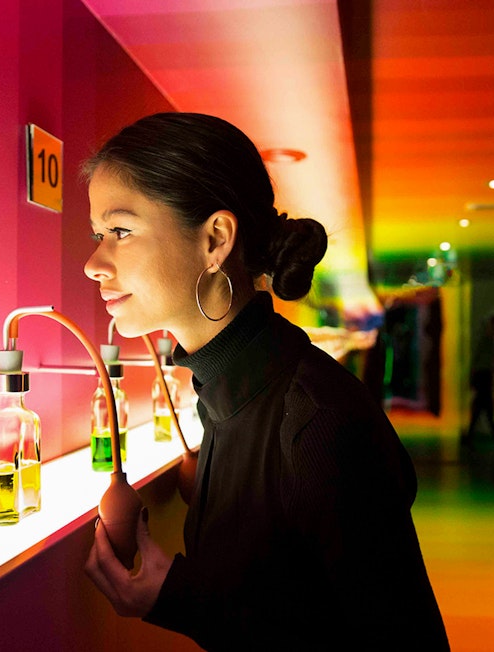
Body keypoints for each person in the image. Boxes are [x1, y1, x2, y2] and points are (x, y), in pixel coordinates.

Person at [81, 112, 448, 650]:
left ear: (215, 239)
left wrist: (180, 598)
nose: (94, 262)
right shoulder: (224, 398)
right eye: (98, 234)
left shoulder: (316, 422)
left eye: (120, 231)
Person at [461, 313, 494, 453]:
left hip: (483, 377)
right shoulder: (486, 341)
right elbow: (479, 361)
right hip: (483, 377)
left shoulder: (488, 340)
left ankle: (469, 437)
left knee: (480, 409)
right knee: (486, 409)